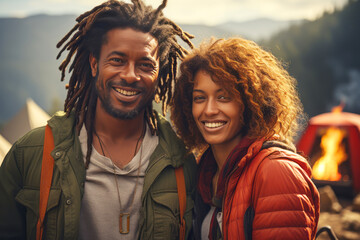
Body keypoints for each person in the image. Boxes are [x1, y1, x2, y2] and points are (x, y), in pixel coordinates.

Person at [0, 0, 197, 239]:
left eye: (145, 65)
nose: (130, 75)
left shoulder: (181, 162)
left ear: (159, 75)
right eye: (117, 60)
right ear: (94, 64)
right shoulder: (31, 153)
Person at [170, 38, 320, 240]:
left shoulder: (276, 172)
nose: (209, 110)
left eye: (224, 97)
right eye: (200, 98)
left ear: (250, 103)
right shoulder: (204, 171)